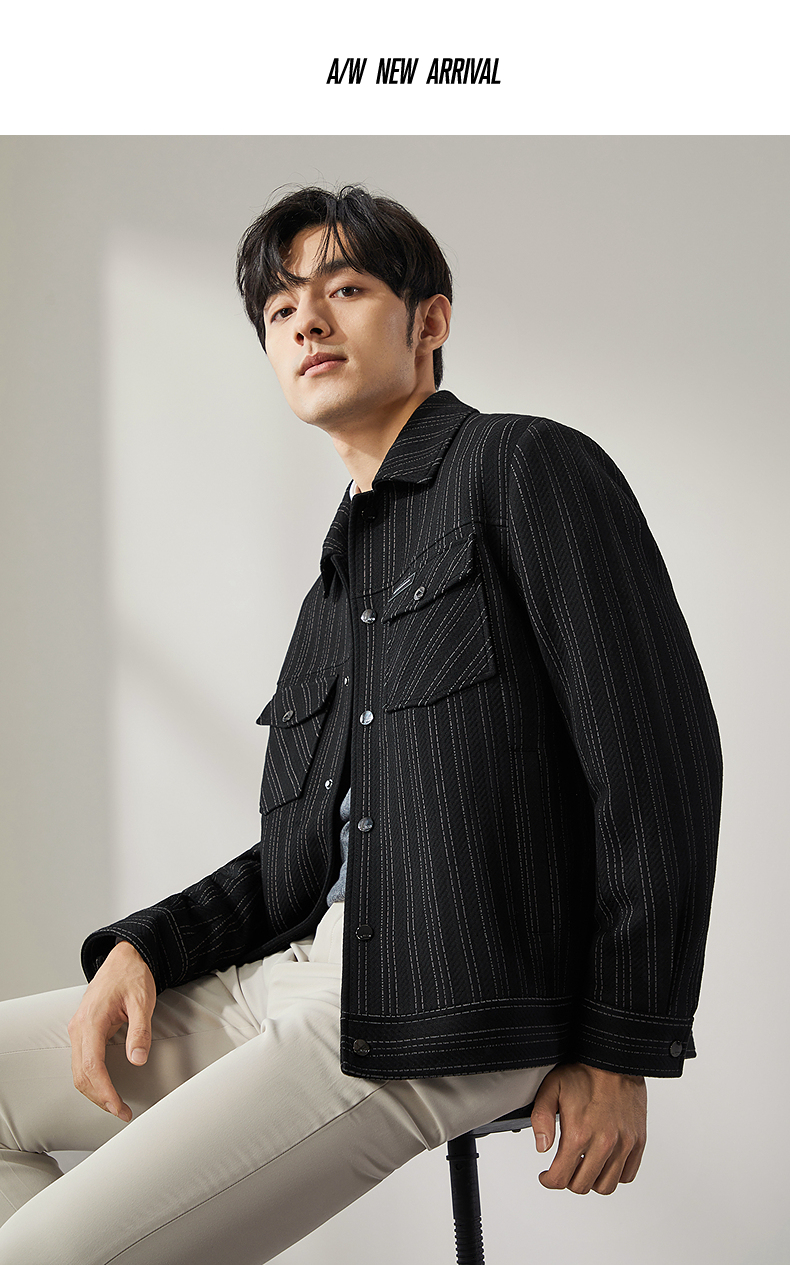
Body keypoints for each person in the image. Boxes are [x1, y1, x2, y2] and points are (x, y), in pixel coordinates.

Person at [0, 185, 722, 1263]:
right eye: (281, 307)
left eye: (344, 289)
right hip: (291, 979)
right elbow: (296, 861)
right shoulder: (337, 586)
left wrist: (622, 1044)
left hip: (438, 1005)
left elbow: (657, 763)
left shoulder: (523, 467)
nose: (307, 321)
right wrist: (146, 942)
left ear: (429, 320)